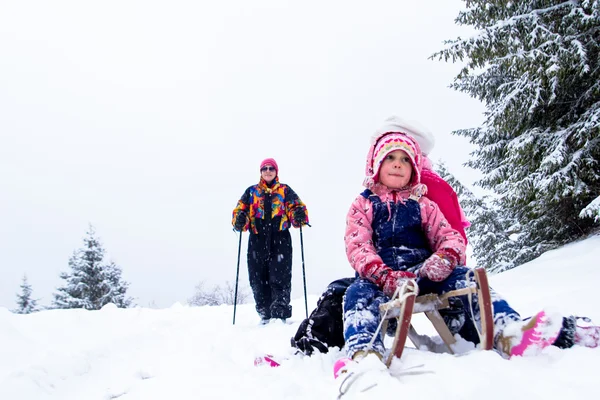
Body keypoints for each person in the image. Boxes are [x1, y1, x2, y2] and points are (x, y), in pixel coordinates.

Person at [335, 124, 598, 376]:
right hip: (382, 277)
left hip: (422, 272)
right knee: (357, 294)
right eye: (390, 157)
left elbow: (448, 235)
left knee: (467, 277)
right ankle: (365, 354)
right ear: (376, 164)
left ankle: (507, 331)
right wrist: (382, 275)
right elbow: (358, 245)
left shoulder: (423, 204)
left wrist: (444, 258)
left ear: (414, 168)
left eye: (405, 160)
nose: (397, 164)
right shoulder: (364, 203)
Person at [232, 158, 309, 324]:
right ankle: (265, 314)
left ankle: (279, 314)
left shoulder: (285, 191)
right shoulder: (251, 192)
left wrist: (299, 215)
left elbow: (297, 207)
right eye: (264, 168)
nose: (268, 171)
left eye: (271, 168)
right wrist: (240, 219)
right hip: (257, 239)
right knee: (257, 278)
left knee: (279, 277)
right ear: (260, 172)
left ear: (276, 171)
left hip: (280, 238)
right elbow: (240, 210)